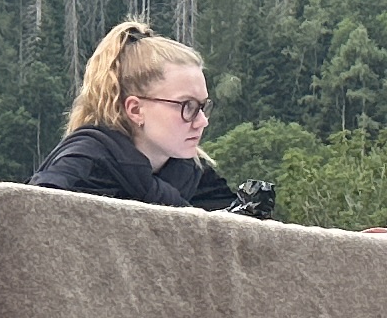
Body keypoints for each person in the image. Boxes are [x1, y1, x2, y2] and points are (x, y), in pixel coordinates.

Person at [31, 21, 250, 207]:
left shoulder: (197, 180)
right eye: (188, 106)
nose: (202, 121)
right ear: (136, 110)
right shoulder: (78, 173)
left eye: (202, 107)